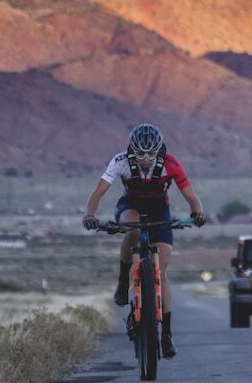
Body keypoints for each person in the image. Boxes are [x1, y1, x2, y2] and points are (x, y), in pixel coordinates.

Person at [83, 123, 206, 359]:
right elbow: (98, 193)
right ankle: (123, 281)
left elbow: (192, 197)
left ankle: (166, 335)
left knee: (160, 272)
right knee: (133, 231)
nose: (146, 159)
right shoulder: (120, 161)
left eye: (151, 154)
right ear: (132, 150)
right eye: (140, 154)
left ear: (159, 150)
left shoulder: (171, 164)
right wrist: (90, 214)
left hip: (160, 210)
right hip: (131, 206)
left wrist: (197, 213)